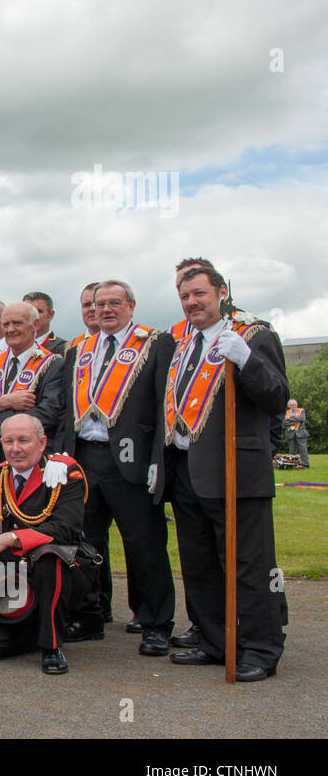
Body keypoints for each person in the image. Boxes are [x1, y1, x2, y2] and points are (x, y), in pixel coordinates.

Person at [165, 265, 288, 681]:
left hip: (237, 468)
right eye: (185, 297)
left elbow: (277, 397)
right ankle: (217, 640)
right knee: (199, 563)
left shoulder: (254, 335)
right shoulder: (184, 342)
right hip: (187, 469)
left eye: (199, 294)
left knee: (247, 564)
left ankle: (260, 647)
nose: (192, 302)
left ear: (221, 291)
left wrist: (247, 361)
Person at [54, 280, 176, 654]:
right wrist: (60, 457)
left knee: (144, 543)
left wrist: (159, 458)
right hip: (85, 456)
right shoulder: (79, 350)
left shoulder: (154, 343)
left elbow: (162, 406)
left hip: (130, 456)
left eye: (113, 303)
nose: (105, 309)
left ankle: (156, 621)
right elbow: (65, 409)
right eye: (98, 303)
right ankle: (90, 614)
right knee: (84, 543)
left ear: (131, 305)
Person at [0, 414, 89, 675]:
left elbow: (65, 529)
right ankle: (36, 625)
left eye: (24, 440)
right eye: (8, 441)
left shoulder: (63, 473)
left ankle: (52, 645)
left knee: (49, 559)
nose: (15, 449)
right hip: (7, 580)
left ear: (43, 443)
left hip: (56, 573)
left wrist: (11, 538)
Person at [0, 301, 64, 467]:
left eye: (17, 323)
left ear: (35, 325)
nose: (10, 329)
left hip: (32, 458)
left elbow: (49, 412)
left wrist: (0, 420)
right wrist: (4, 402)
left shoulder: (53, 363)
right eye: (6, 324)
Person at [64, 282, 101, 354]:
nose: (92, 309)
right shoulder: (68, 348)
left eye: (97, 304)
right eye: (86, 305)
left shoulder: (126, 343)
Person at [282, 399, 309, 468]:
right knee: (292, 449)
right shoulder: (286, 412)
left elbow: (301, 419)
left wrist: (289, 418)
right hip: (290, 433)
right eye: (292, 405)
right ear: (289, 406)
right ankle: (293, 463)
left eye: (295, 404)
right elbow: (284, 424)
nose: (294, 406)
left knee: (303, 448)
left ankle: (305, 463)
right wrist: (295, 420)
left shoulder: (301, 411)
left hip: (301, 433)